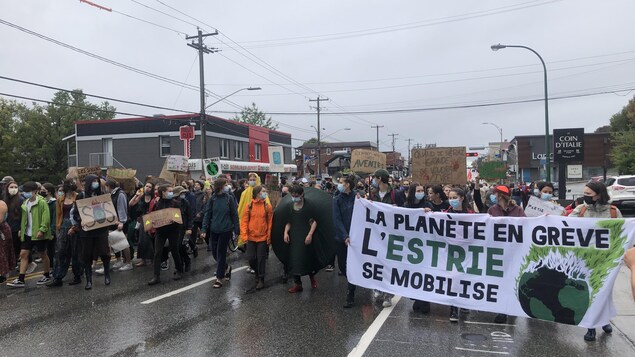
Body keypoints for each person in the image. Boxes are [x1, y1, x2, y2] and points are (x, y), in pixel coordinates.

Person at [569, 181, 621, 342]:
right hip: (584, 259)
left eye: (589, 194)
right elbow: (565, 226)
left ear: (599, 195)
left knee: (603, 292)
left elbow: (621, 233)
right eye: (584, 193)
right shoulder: (581, 210)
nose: (585, 197)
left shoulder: (613, 212)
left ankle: (603, 320)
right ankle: (591, 326)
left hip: (606, 260)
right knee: (589, 292)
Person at [487, 185, 525, 323]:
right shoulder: (492, 210)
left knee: (511, 281)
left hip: (513, 251)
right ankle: (502, 310)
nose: (492, 196)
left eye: (494, 194)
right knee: (500, 281)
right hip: (498, 251)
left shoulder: (518, 210)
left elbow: (526, 226)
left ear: (500, 195)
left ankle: (511, 307)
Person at [68, 175, 112, 290]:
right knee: (86, 255)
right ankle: (89, 280)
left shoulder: (102, 195)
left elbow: (109, 210)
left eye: (96, 181)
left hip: (101, 229)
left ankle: (107, 275)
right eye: (93, 182)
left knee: (104, 252)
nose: (95, 184)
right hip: (87, 231)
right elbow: (76, 213)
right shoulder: (81, 196)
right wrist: (80, 221)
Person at [370, 169, 405, 307]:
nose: (373, 180)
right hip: (378, 232)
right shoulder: (373, 194)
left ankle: (388, 295)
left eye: (375, 178)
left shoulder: (396, 194)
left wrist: (397, 208)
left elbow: (405, 210)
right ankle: (378, 287)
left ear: (379, 179)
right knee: (377, 261)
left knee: (389, 263)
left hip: (392, 232)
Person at [7, 182, 52, 288]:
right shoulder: (25, 203)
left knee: (43, 254)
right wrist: (21, 230)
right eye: (25, 191)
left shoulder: (41, 202)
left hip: (38, 233)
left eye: (28, 191)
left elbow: (46, 218)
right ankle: (21, 279)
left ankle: (46, 274)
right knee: (23, 254)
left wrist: (42, 229)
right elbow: (24, 219)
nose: (26, 193)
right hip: (27, 233)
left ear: (35, 191)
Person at [201, 178, 240, 288]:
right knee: (214, 253)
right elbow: (207, 214)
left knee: (221, 252)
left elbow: (234, 215)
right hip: (214, 229)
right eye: (226, 184)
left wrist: (237, 230)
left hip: (226, 230)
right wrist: (204, 229)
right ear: (221, 186)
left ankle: (219, 278)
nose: (228, 186)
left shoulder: (229, 198)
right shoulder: (213, 199)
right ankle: (226, 267)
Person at [444, 187, 474, 322]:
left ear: (462, 198)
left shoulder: (471, 214)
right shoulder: (444, 214)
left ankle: (464, 302)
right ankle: (453, 308)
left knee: (465, 277)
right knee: (453, 279)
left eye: (454, 198)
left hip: (467, 251)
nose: (452, 200)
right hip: (451, 252)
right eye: (450, 198)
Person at [283, 185, 319, 293]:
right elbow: (288, 222)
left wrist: (310, 234)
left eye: (296, 195)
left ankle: (312, 278)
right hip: (294, 236)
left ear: (302, 194)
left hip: (305, 235)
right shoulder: (290, 206)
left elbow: (314, 221)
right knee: (294, 259)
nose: (294, 197)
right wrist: (286, 233)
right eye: (293, 195)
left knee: (307, 258)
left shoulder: (309, 206)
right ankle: (297, 284)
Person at [47, 179, 82, 287]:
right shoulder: (60, 199)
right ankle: (58, 277)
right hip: (63, 226)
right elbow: (58, 215)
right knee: (60, 252)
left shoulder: (79, 197)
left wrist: (76, 227)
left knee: (76, 252)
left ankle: (78, 275)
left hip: (75, 226)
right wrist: (57, 227)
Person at [148, 185, 184, 285]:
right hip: (161, 231)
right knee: (157, 252)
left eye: (172, 191)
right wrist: (151, 225)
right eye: (169, 191)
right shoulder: (157, 204)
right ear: (163, 192)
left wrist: (174, 220)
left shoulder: (175, 203)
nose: (171, 193)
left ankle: (179, 270)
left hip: (173, 231)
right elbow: (152, 217)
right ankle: (156, 276)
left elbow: (179, 217)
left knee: (174, 250)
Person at [241, 185, 273, 291]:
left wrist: (269, 236)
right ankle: (257, 273)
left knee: (261, 259)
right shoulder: (249, 205)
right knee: (251, 259)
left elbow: (270, 223)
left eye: (265, 191)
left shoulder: (267, 206)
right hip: (251, 237)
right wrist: (244, 235)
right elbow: (244, 221)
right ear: (257, 193)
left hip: (262, 238)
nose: (265, 193)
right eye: (263, 191)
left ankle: (261, 279)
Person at [333, 174, 358, 307]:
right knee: (342, 265)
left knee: (353, 265)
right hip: (341, 238)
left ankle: (351, 292)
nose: (340, 184)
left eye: (341, 182)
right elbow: (337, 219)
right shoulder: (337, 200)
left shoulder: (357, 198)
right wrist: (344, 236)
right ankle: (352, 282)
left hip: (356, 238)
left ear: (347, 184)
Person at [129, 181, 155, 267]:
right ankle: (143, 259)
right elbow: (131, 204)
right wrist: (136, 195)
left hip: (152, 220)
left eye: (149, 187)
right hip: (143, 220)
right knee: (142, 241)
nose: (147, 188)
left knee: (150, 240)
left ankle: (151, 258)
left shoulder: (154, 197)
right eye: (146, 186)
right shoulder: (141, 196)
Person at [173, 186, 194, 273]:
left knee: (180, 246)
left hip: (183, 228)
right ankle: (180, 265)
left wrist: (189, 228)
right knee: (176, 248)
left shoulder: (186, 203)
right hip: (174, 228)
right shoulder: (172, 203)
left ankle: (186, 261)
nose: (184, 195)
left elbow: (190, 216)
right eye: (182, 193)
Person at [0, 199, 16, 283]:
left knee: (2, 252)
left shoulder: (1, 204)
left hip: (2, 230)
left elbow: (0, 219)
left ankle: (3, 274)